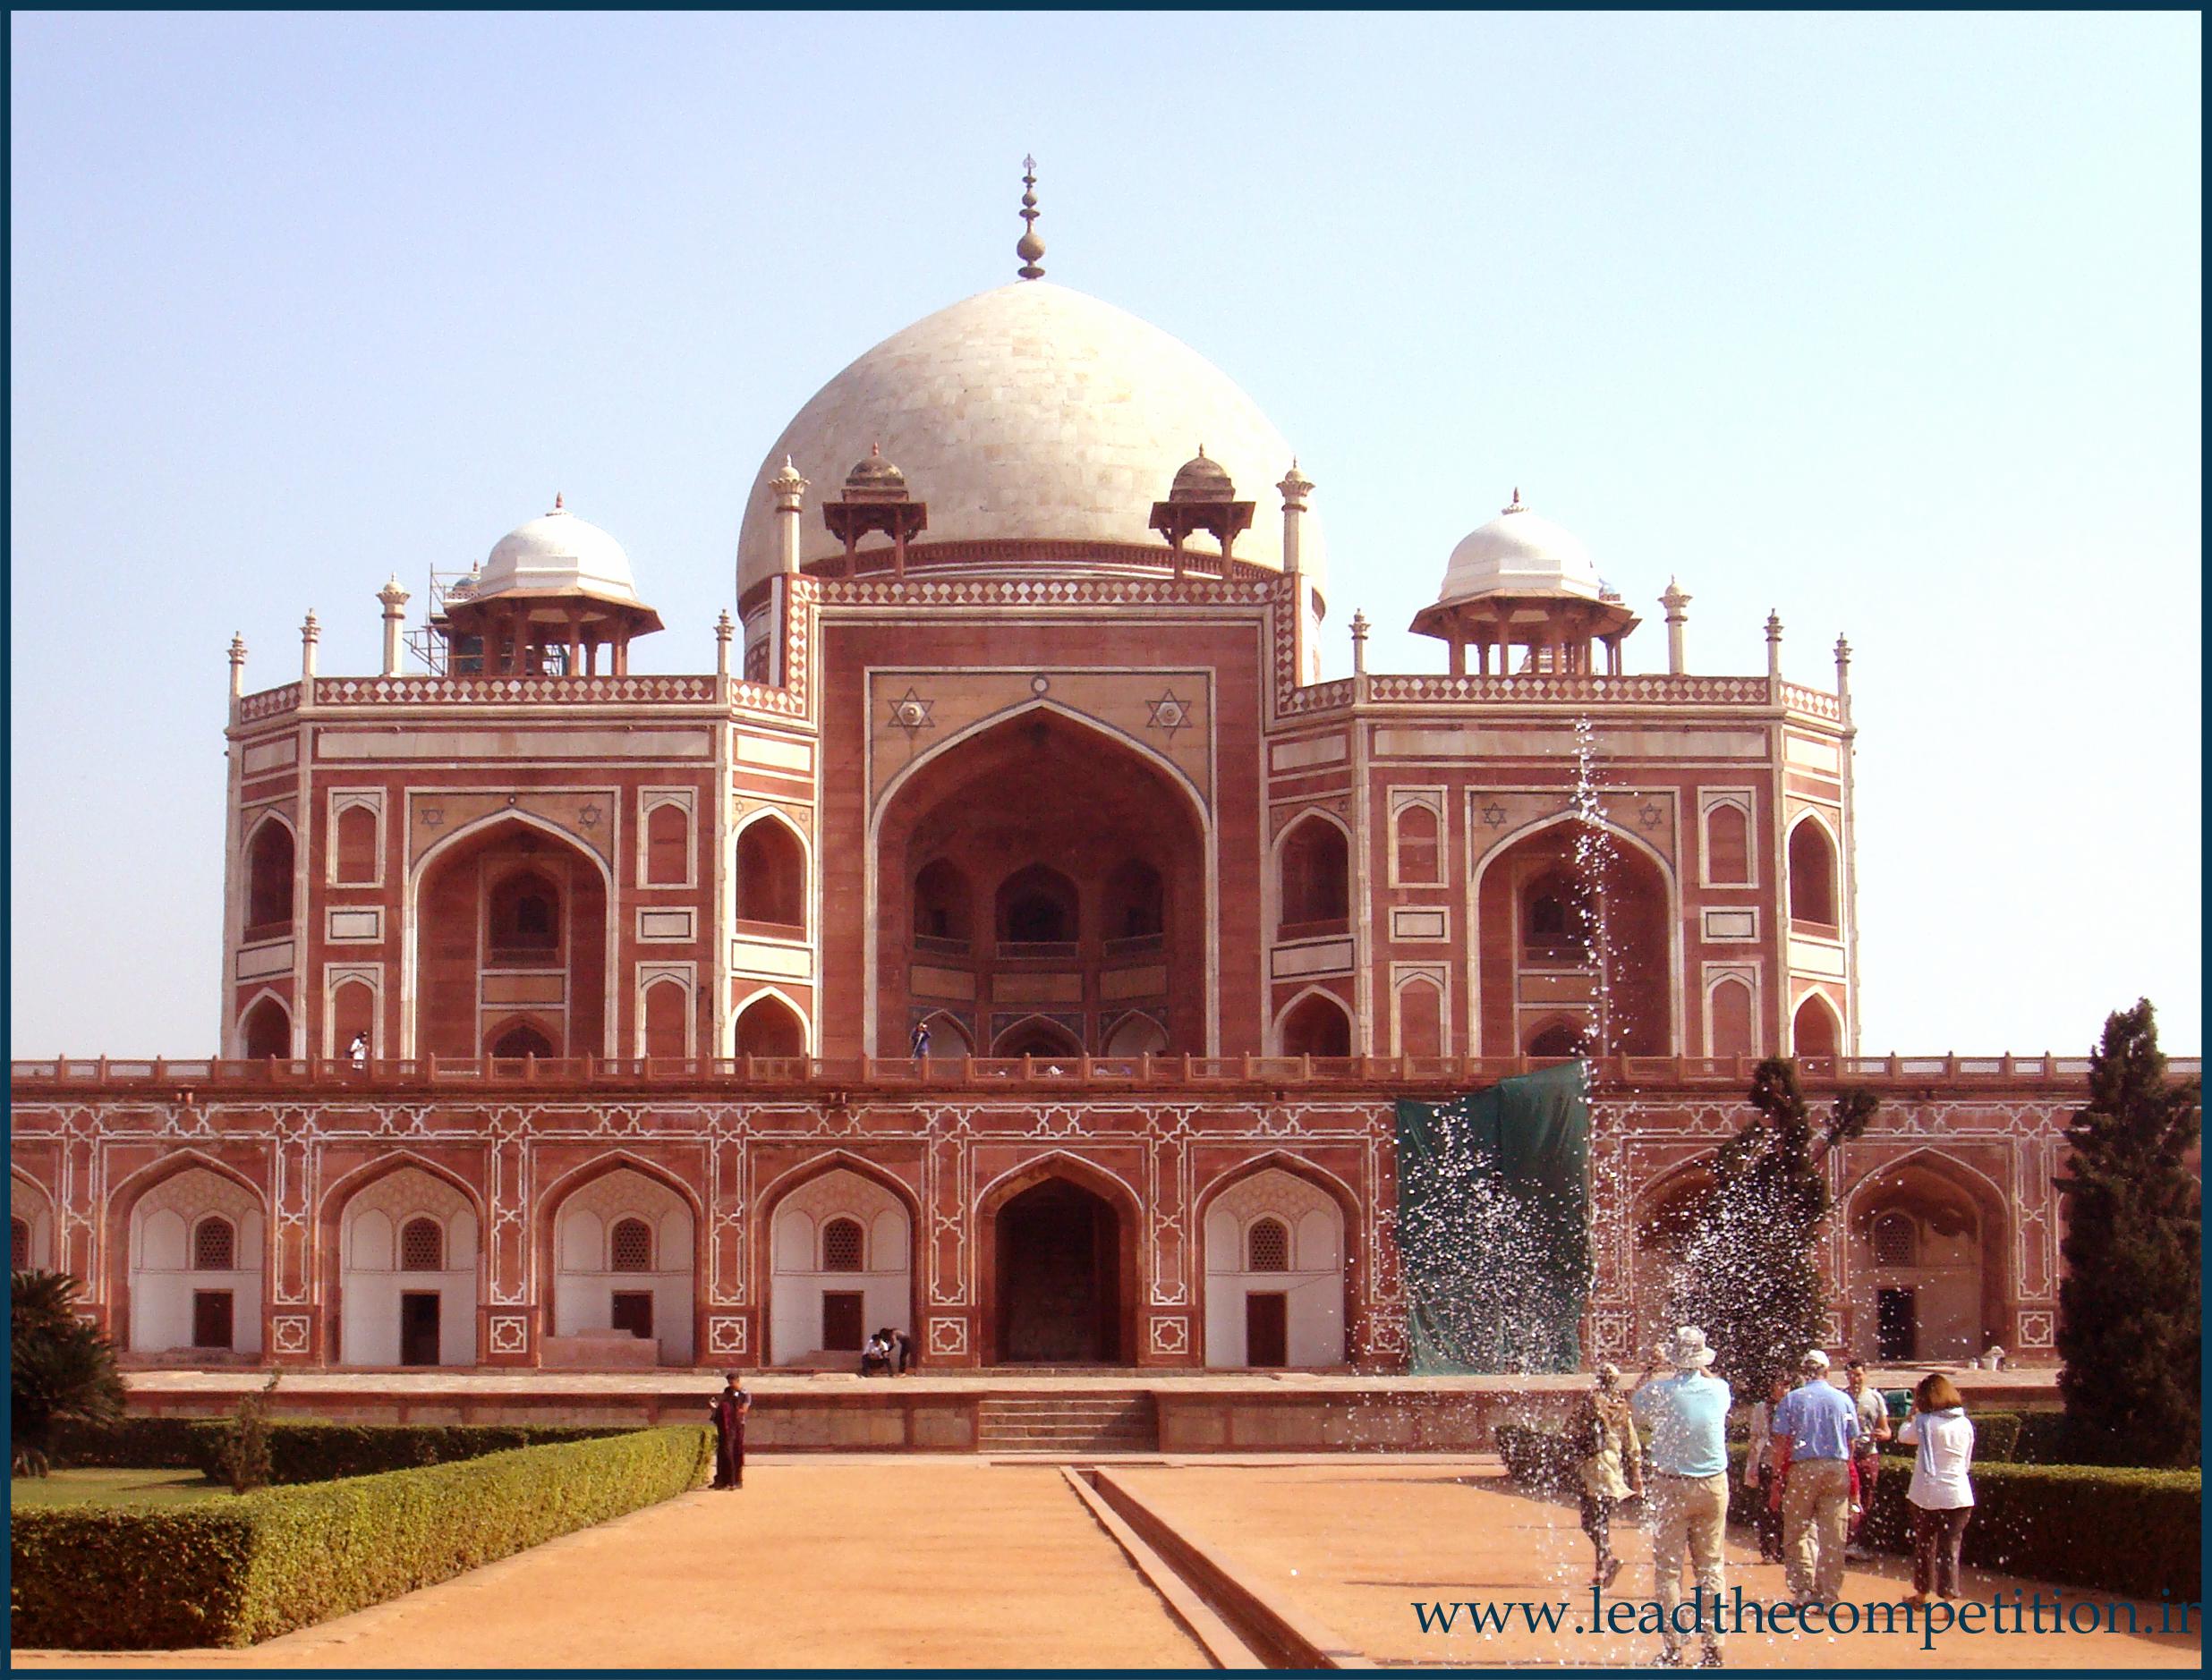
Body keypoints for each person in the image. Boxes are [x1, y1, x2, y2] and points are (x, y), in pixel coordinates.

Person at [1630, 1327, 1731, 1667]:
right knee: (1711, 1568)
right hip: (1713, 1486)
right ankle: (1713, 1646)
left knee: (1669, 1570)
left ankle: (1673, 1647)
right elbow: (1710, 1380)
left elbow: (1633, 1401)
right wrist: (1700, 1366)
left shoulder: (1658, 1391)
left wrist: (1651, 1368)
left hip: (1672, 1485)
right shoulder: (1719, 1390)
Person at [1772, 1348, 1859, 1605]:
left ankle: (1802, 1589)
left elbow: (1782, 1443)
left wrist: (1778, 1479)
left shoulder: (1793, 1400)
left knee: (1796, 1532)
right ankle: (1828, 1594)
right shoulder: (1842, 1400)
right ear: (1827, 1371)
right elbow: (1851, 1441)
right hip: (1836, 1467)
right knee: (1833, 1535)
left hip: (1804, 1467)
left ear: (1804, 1372)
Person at [1897, 1372, 1976, 1606]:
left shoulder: (1925, 1423)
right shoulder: (1964, 1423)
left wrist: (1911, 1414)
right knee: (1950, 1549)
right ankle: (1949, 1600)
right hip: (1959, 1493)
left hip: (1927, 1494)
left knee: (1924, 1546)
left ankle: (1921, 1595)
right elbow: (1966, 1462)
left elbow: (1903, 1436)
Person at [1574, 1363, 1643, 1589]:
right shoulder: (1620, 1407)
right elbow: (1632, 1444)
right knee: (1602, 1519)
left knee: (1589, 1521)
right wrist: (1636, 1474)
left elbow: (1573, 1429)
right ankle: (1601, 1570)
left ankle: (1608, 1558)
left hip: (1595, 1467)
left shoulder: (1592, 1402)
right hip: (1613, 1469)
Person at [1842, 1359, 1892, 1559]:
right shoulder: (1842, 1397)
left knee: (1867, 1500)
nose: (1855, 1379)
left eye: (1858, 1375)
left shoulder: (1875, 1398)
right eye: (1851, 1375)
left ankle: (1861, 1543)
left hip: (1868, 1454)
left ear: (1865, 1375)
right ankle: (1845, 1543)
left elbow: (1886, 1429)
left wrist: (1883, 1435)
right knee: (1845, 1499)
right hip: (1847, 1456)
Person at [1741, 1373, 1788, 1564]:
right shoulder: (1762, 1408)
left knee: (1786, 1509)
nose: (1783, 1390)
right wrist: (1752, 1465)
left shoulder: (1793, 1405)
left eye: (1786, 1386)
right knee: (1766, 1508)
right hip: (1766, 1463)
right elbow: (1754, 1436)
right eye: (1780, 1386)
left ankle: (1784, 1550)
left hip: (1787, 1466)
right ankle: (1767, 1550)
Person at [708, 1372, 751, 1489]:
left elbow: (743, 1410)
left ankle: (735, 1480)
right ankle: (722, 1480)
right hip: (725, 1426)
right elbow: (721, 1408)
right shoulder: (727, 1392)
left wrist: (731, 1409)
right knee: (723, 1452)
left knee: (735, 1452)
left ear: (738, 1381)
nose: (731, 1384)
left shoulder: (744, 1394)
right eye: (730, 1382)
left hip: (736, 1426)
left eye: (733, 1382)